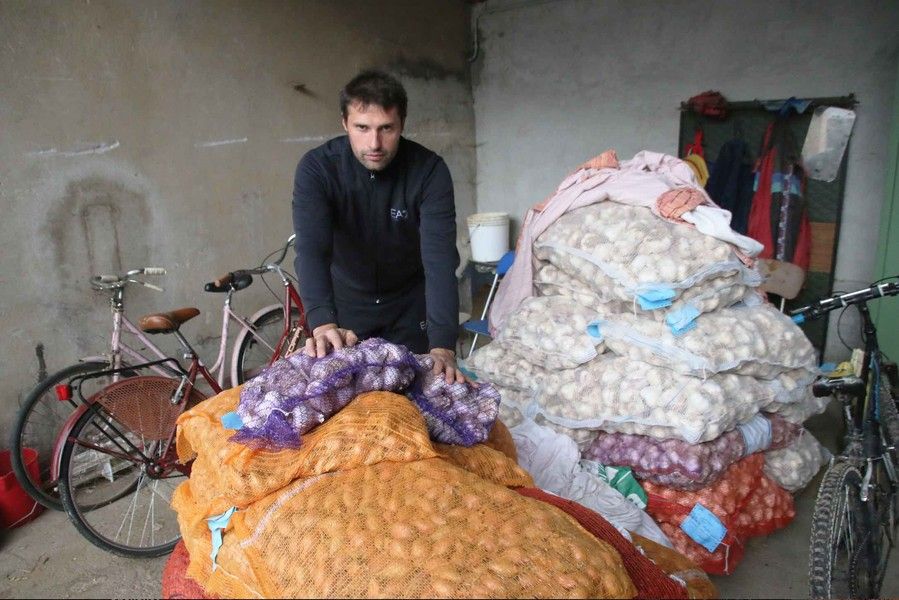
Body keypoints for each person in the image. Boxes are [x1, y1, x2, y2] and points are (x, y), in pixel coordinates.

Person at [292, 69, 468, 383]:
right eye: (362, 128)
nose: (374, 143)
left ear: (402, 124)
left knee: (415, 398)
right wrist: (322, 322)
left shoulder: (429, 172)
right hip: (346, 310)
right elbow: (312, 251)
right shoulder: (318, 169)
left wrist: (443, 345)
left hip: (409, 309)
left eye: (387, 128)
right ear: (344, 123)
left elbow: (440, 262)